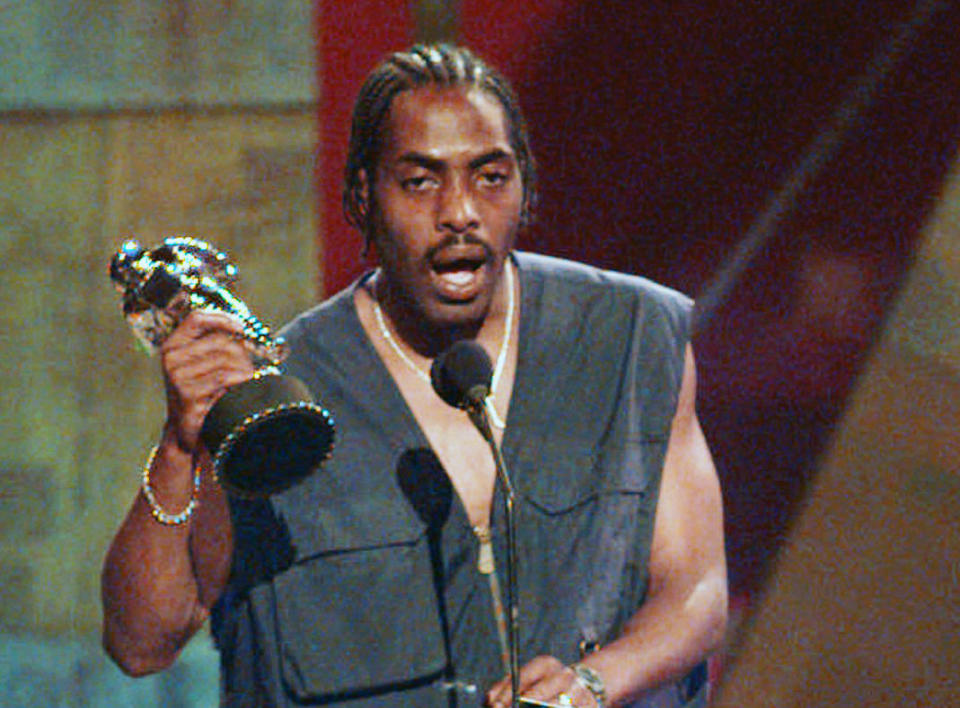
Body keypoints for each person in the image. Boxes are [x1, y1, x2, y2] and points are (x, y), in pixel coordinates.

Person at [101, 44, 727, 708]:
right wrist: (179, 447)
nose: (460, 210)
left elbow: (696, 594)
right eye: (421, 181)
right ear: (364, 196)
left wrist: (595, 683)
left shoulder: (627, 341)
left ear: (524, 186)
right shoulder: (280, 396)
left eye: (490, 175)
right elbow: (141, 643)